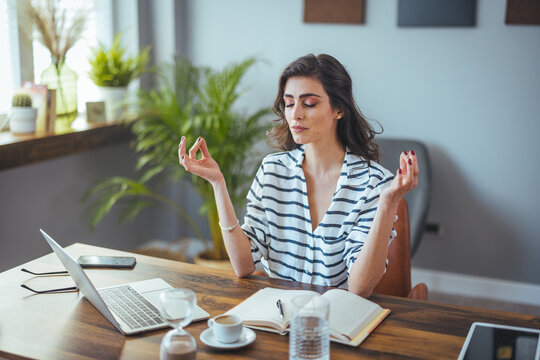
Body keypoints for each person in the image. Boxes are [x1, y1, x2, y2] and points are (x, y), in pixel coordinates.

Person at [178, 54, 418, 297]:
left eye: (309, 103)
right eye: (289, 103)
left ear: (339, 109)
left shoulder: (373, 183)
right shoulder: (272, 170)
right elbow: (243, 265)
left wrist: (388, 204)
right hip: (279, 316)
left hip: (336, 321)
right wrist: (218, 184)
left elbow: (359, 287)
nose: (295, 114)